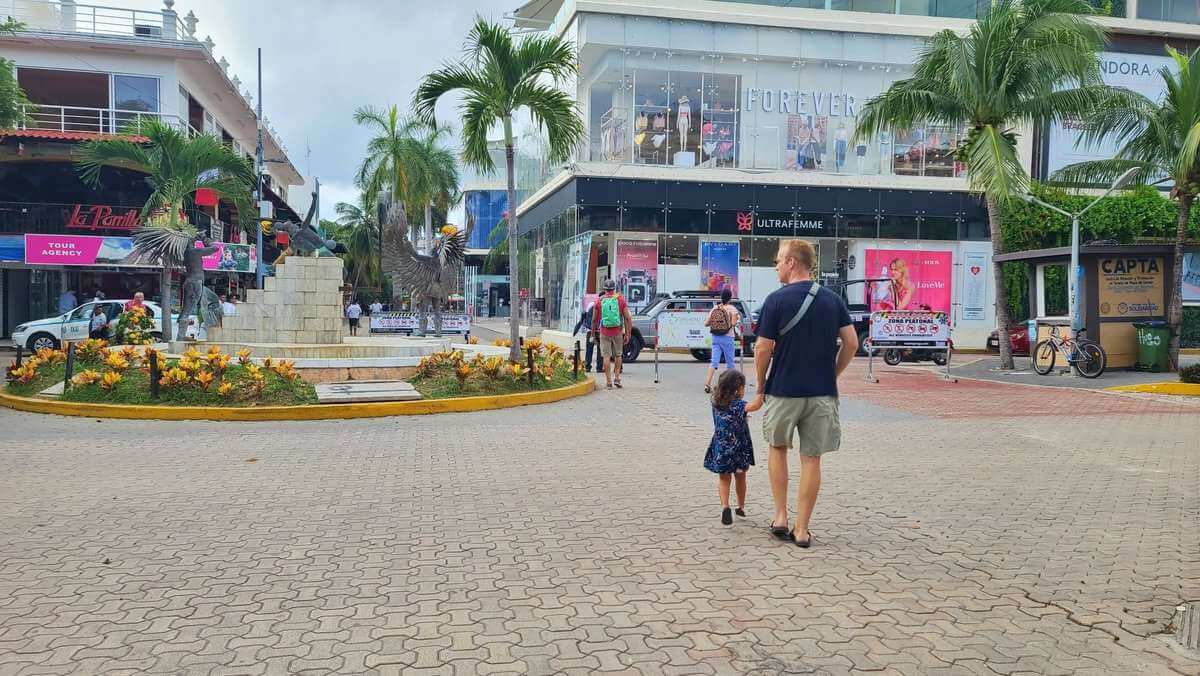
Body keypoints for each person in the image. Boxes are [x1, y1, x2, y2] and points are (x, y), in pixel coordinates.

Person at [746, 239, 858, 548]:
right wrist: (833, 374)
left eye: (779, 260)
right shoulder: (833, 301)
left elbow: (763, 348)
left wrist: (760, 385)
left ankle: (780, 516)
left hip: (783, 391)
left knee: (778, 448)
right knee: (812, 459)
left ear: (793, 262)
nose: (776, 266)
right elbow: (851, 343)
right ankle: (802, 529)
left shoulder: (776, 301)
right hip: (821, 393)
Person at [703, 369, 755, 526]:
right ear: (737, 389)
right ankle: (740, 506)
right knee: (740, 477)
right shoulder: (739, 405)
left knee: (724, 479)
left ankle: (725, 506)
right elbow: (756, 405)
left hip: (721, 448)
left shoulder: (716, 403)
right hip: (739, 449)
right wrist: (762, 391)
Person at [592, 279, 632, 389]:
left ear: (604, 289)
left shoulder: (599, 301)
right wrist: (628, 333)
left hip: (604, 332)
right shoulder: (620, 299)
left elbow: (594, 319)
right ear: (614, 289)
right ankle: (617, 378)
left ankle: (609, 382)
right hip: (617, 332)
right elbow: (627, 318)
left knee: (606, 356)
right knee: (618, 355)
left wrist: (592, 334)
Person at [703, 288, 741, 394]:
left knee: (714, 361)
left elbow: (706, 323)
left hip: (715, 337)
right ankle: (730, 387)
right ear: (730, 297)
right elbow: (733, 324)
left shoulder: (715, 308)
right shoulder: (732, 309)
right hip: (727, 338)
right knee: (730, 363)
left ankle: (707, 384)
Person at [571, 296, 604, 373]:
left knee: (589, 349)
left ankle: (587, 367)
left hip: (590, 330)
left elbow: (584, 317)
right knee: (600, 350)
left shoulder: (591, 304)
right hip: (600, 331)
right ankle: (599, 367)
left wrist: (576, 329)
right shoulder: (604, 306)